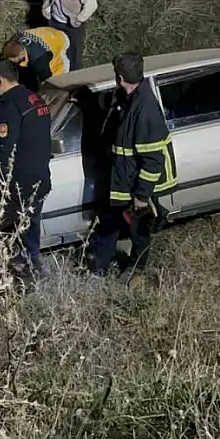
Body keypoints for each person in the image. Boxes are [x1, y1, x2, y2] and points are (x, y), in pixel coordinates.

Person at [90, 52, 177, 283]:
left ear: (120, 77)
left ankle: (135, 270)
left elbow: (152, 160)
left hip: (136, 184)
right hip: (122, 178)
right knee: (108, 224)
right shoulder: (127, 97)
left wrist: (141, 195)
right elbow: (112, 108)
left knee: (138, 231)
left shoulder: (145, 109)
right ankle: (99, 270)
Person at [0, 59, 53, 278]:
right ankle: (35, 270)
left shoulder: (9, 109)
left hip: (18, 184)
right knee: (30, 228)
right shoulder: (35, 99)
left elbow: (5, 154)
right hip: (40, 179)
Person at [1, 25, 72, 91]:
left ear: (21, 54)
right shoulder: (16, 38)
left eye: (12, 60)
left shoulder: (39, 62)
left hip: (61, 42)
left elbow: (47, 81)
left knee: (55, 83)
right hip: (51, 33)